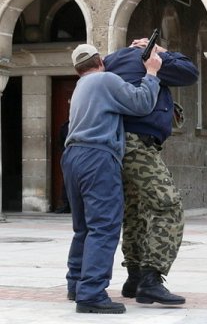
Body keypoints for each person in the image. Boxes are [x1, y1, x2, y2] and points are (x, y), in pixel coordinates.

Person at [62, 43, 162, 314]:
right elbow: (141, 103)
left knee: (83, 227)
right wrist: (151, 73)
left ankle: (76, 284)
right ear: (100, 61)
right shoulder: (104, 79)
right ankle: (92, 294)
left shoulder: (81, 87)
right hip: (97, 157)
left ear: (76, 69)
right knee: (104, 226)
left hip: (72, 156)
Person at [103, 38, 198, 305]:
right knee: (168, 206)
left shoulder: (112, 60)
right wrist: (164, 52)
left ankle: (134, 276)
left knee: (135, 211)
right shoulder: (149, 59)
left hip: (118, 143)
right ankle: (151, 279)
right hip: (138, 145)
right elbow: (190, 72)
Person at [55, 119, 71, 214]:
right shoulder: (65, 126)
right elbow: (60, 142)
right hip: (68, 155)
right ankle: (66, 205)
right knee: (67, 181)